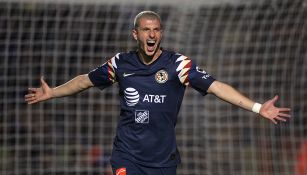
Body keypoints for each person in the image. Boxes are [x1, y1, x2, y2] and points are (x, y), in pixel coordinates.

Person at [25, 11, 291, 175]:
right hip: (127, 155)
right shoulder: (121, 63)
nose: (151, 35)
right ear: (135, 34)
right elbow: (85, 81)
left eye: (156, 30)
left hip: (164, 161)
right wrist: (53, 93)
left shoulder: (178, 65)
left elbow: (217, 86)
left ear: (161, 33)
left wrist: (257, 108)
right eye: (145, 29)